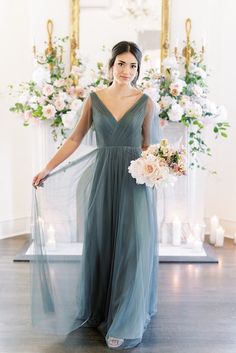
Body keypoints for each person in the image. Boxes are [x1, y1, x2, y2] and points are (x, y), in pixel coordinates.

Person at [32, 40, 160, 350]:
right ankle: (100, 309)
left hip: (135, 182)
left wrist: (157, 169)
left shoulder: (146, 102)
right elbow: (75, 139)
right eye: (121, 63)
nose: (126, 70)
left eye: (133, 65)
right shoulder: (94, 100)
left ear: (138, 69)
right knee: (102, 242)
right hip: (103, 179)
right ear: (111, 65)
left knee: (131, 248)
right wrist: (47, 168)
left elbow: (151, 148)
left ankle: (124, 320)